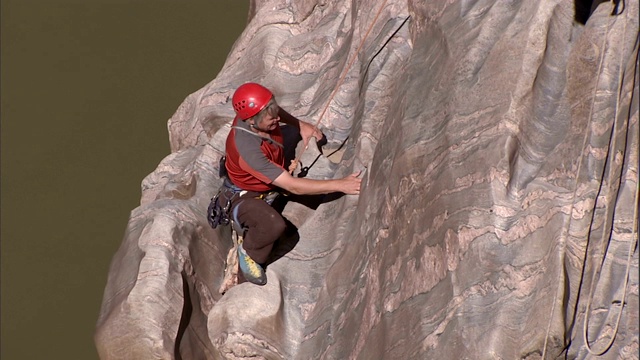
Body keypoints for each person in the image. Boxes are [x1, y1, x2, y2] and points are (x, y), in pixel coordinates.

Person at [219, 82, 362, 285]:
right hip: (246, 194)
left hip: (270, 170)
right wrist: (340, 184)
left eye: (275, 112)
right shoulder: (248, 150)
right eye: (271, 118)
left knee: (285, 131)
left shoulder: (259, 117)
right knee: (273, 225)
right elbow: (293, 186)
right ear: (251, 121)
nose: (277, 119)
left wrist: (300, 125)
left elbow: (274, 112)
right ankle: (248, 255)